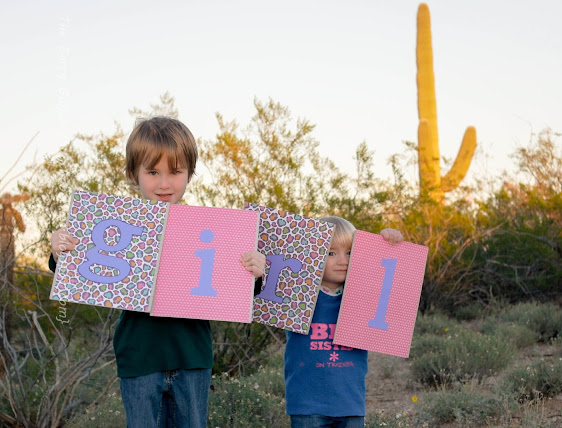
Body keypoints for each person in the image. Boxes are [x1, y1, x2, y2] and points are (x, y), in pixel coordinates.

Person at [49, 117, 266, 428]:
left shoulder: (212, 230)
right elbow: (78, 269)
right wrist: (60, 251)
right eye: (153, 172)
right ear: (133, 174)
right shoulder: (119, 225)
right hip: (139, 358)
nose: (164, 184)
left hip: (192, 356)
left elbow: (237, 291)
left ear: (189, 174)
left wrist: (255, 273)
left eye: (175, 172)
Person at [284, 216, 402, 428]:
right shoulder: (297, 294)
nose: (343, 260)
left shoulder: (365, 298)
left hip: (350, 404)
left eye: (350, 252)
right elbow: (267, 285)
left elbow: (388, 275)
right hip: (307, 406)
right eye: (331, 253)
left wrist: (387, 244)